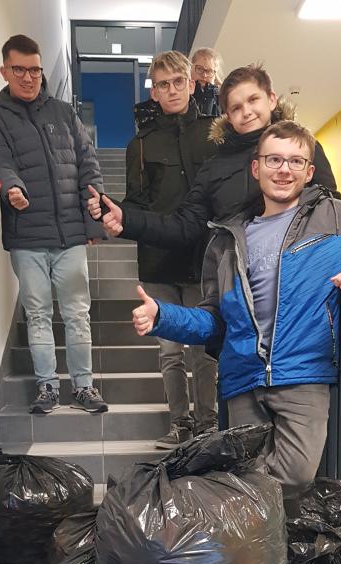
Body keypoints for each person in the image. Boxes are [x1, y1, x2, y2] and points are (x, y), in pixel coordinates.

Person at [131, 121, 341, 498]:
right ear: (256, 168)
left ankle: (212, 494)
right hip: (241, 377)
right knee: (248, 485)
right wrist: (164, 316)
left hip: (304, 373)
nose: (284, 169)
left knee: (295, 474)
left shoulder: (337, 217)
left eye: (295, 161)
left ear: (309, 171)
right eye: (274, 160)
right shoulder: (226, 237)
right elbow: (214, 320)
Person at [0, 34, 108, 415]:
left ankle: (83, 387)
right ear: (4, 71)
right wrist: (10, 187)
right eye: (19, 70)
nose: (29, 77)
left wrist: (93, 221)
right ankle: (47, 386)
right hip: (28, 237)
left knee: (77, 313)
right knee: (37, 314)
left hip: (70, 235)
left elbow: (88, 165)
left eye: (34, 70)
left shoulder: (64, 114)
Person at [87, 64, 339, 248]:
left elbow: (331, 212)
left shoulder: (305, 149)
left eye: (253, 100)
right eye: (236, 107)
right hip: (238, 283)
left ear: (271, 99)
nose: (247, 111)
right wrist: (127, 217)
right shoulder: (215, 167)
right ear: (227, 116)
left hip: (300, 277)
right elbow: (183, 226)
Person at [118, 51, 218, 448]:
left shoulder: (214, 134)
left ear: (192, 84)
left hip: (202, 258)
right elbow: (134, 205)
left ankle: (208, 424)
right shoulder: (140, 145)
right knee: (170, 351)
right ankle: (180, 423)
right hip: (158, 262)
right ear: (154, 92)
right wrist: (111, 218)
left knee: (204, 351)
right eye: (163, 84)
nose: (172, 90)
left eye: (178, 82)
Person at [191, 47, 223, 118]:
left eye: (210, 71)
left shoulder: (222, 99)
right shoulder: (182, 93)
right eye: (199, 69)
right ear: (191, 68)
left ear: (215, 74)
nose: (204, 75)